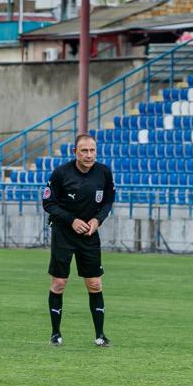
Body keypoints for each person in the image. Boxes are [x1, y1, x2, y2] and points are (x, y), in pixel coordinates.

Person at [42, 133, 116, 347]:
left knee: (94, 283)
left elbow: (108, 200)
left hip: (89, 236)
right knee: (59, 283)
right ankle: (55, 334)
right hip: (63, 234)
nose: (89, 155)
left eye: (92, 150)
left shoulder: (103, 172)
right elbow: (48, 203)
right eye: (84, 151)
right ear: (75, 152)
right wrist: (72, 220)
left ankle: (100, 335)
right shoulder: (61, 173)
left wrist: (97, 220)